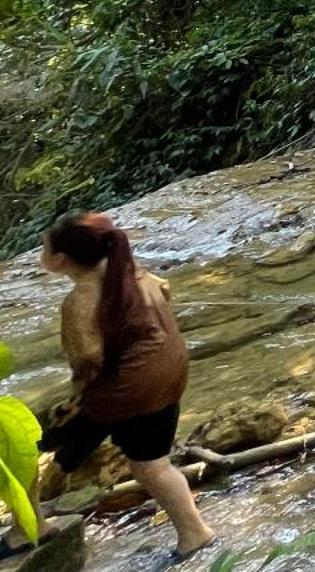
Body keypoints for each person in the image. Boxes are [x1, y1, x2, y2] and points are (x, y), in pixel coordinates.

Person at [33, 213, 214, 561]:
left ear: (60, 260)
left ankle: (31, 527)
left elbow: (87, 358)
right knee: (153, 465)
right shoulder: (133, 273)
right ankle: (195, 533)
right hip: (168, 376)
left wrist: (77, 396)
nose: (40, 252)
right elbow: (165, 288)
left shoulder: (81, 299)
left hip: (126, 393)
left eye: (43, 247)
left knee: (27, 445)